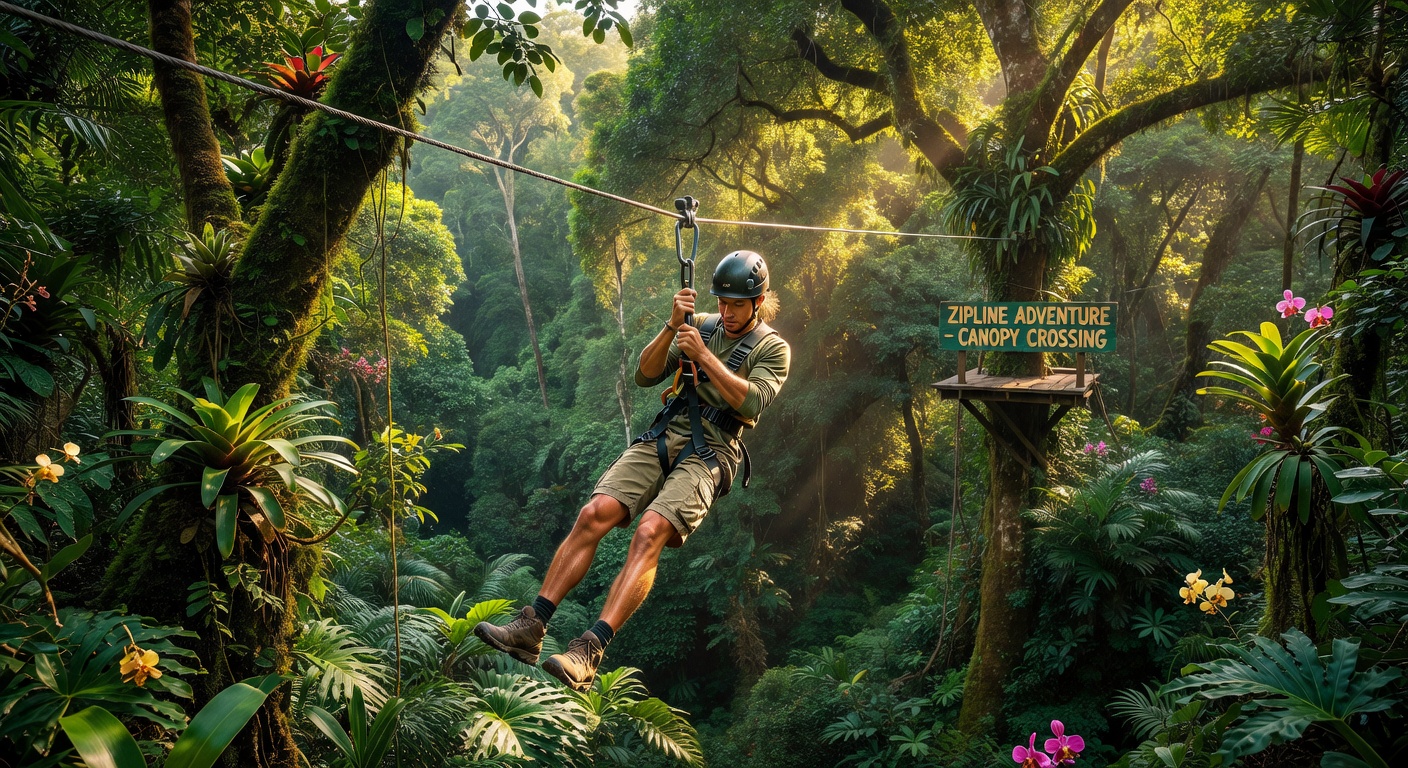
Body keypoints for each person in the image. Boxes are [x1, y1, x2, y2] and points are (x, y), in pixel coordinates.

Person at [475, 250, 791, 690]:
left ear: (758, 302)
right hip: (668, 431)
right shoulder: (699, 324)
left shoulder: (773, 348)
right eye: (721, 302)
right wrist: (671, 325)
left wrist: (705, 356)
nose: (726, 311)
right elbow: (645, 375)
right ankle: (532, 626)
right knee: (594, 513)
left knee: (651, 530)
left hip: (714, 450)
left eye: (736, 304)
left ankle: (590, 650)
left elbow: (753, 401)